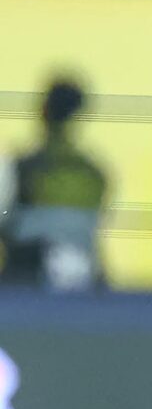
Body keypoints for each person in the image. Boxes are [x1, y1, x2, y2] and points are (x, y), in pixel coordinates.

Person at [0, 78, 109, 290]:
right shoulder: (93, 174)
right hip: (82, 285)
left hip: (25, 283)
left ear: (44, 112)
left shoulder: (21, 169)